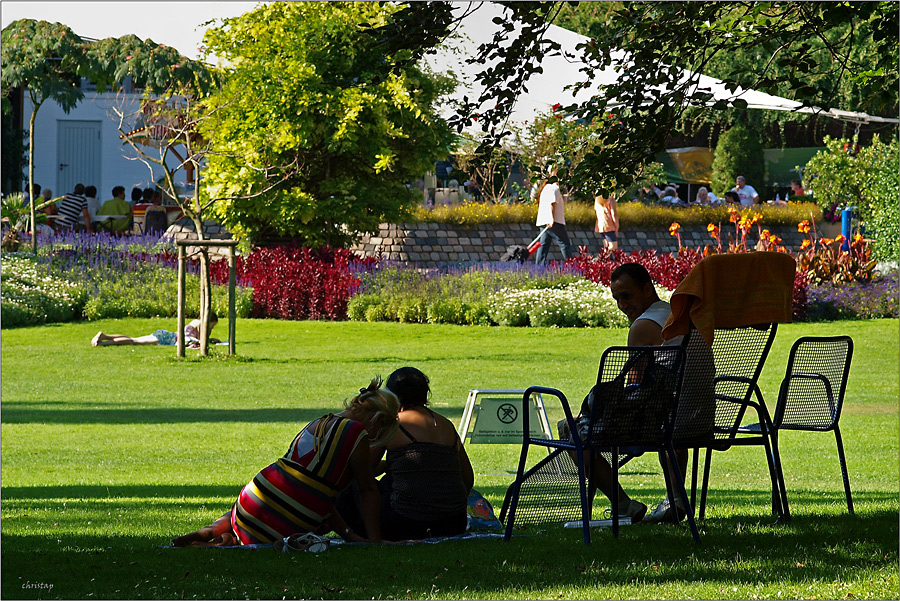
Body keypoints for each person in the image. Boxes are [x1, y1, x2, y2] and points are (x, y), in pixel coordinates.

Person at [173, 378, 400, 546]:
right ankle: (222, 542)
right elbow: (367, 487)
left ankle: (210, 532)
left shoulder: (321, 422)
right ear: (376, 420)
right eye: (379, 430)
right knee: (267, 532)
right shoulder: (356, 432)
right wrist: (374, 541)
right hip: (289, 514)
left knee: (242, 523)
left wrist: (351, 536)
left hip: (255, 496)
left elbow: (319, 486)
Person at [374, 367, 474, 541]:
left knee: (353, 489)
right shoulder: (446, 425)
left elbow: (363, 470)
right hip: (454, 524)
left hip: (407, 523)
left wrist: (385, 466)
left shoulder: (393, 424)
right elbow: (467, 478)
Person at [91, 312, 220, 348]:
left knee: (134, 339)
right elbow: (187, 338)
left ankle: (105, 336)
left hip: (165, 335)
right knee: (134, 341)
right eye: (211, 326)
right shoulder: (195, 324)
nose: (211, 329)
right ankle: (103, 343)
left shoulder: (197, 325)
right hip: (166, 338)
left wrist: (209, 339)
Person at [534, 165, 575, 264]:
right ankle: (571, 266)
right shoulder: (554, 188)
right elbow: (551, 204)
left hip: (543, 221)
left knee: (543, 245)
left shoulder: (546, 188)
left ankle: (538, 267)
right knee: (564, 244)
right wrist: (551, 219)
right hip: (554, 221)